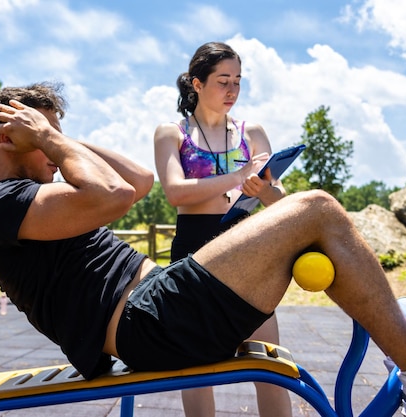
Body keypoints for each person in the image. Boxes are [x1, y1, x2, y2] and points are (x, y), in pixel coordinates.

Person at [0, 82, 406, 417]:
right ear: (8, 137)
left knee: (311, 218)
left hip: (161, 304)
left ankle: (402, 338)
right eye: (42, 140)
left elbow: (139, 180)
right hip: (148, 321)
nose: (53, 153)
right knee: (314, 209)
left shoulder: (24, 197)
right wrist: (47, 137)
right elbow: (114, 195)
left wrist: (55, 136)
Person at [153, 41, 291, 417]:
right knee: (196, 371)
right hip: (194, 253)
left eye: (238, 81)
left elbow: (281, 202)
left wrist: (264, 189)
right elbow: (174, 191)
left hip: (248, 249)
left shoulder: (252, 132)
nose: (232, 90)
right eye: (222, 81)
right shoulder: (172, 132)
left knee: (270, 367)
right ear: (196, 84)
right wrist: (237, 175)